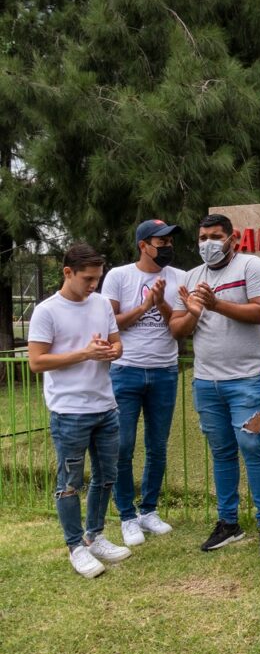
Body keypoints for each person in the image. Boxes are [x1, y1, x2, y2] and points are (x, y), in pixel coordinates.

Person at [169, 213, 260, 557]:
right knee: (221, 452)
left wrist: (217, 304)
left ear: (234, 238)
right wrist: (195, 310)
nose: (208, 244)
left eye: (216, 236)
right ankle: (228, 523)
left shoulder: (251, 267)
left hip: (250, 380)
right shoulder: (191, 277)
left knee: (253, 446)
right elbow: (177, 329)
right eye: (202, 238)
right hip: (207, 383)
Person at [28, 244, 132, 577]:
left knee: (106, 477)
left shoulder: (101, 304)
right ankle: (75, 546)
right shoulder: (47, 311)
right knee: (70, 481)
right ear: (67, 273)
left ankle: (95, 535)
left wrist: (110, 351)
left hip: (105, 406)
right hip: (69, 411)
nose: (93, 286)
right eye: (88, 279)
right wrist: (85, 354)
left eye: (97, 279)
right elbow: (36, 361)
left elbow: (118, 343)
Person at [102, 219, 184, 546]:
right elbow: (109, 324)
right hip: (126, 370)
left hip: (164, 370)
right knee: (122, 445)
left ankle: (149, 510)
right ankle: (126, 515)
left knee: (157, 445)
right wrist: (145, 305)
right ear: (143, 245)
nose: (166, 247)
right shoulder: (119, 276)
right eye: (159, 241)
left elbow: (179, 324)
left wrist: (161, 304)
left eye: (169, 242)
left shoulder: (179, 277)